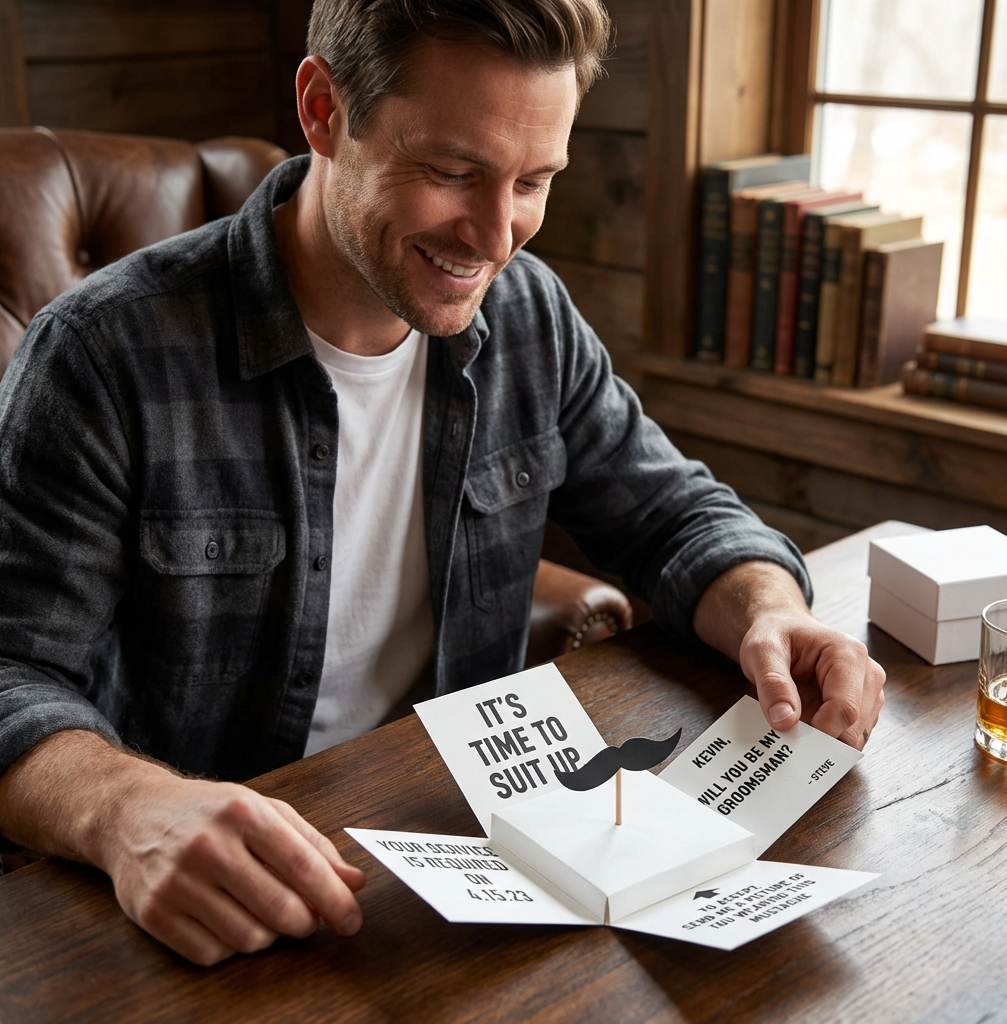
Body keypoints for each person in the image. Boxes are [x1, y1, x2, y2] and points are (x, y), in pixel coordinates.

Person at [0, 0, 884, 966]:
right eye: (454, 172)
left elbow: (673, 514)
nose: (496, 237)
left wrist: (769, 608)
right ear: (323, 108)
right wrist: (125, 808)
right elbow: (13, 673)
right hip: (202, 907)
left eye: (535, 181)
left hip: (469, 877)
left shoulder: (530, 317)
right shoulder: (101, 356)